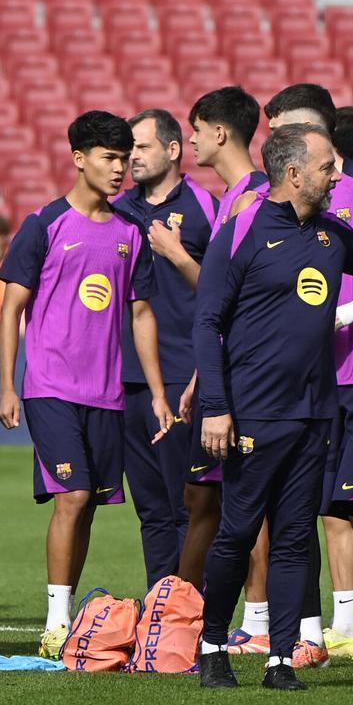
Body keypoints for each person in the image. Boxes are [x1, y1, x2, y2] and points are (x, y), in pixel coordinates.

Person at [193, 124, 353, 691]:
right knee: (238, 532)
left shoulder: (334, 234)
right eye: (328, 166)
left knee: (297, 536)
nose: (337, 176)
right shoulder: (242, 229)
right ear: (295, 173)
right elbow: (207, 323)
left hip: (315, 412)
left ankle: (280, 659)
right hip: (252, 413)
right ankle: (212, 647)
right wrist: (215, 407)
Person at [0, 111, 175, 658]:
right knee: (71, 496)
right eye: (108, 157)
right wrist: (8, 384)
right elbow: (11, 311)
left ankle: (66, 613)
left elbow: (142, 315)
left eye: (125, 158)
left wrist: (160, 392)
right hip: (50, 388)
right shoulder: (43, 224)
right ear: (79, 159)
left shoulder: (129, 233)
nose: (120, 169)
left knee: (90, 504)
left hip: (108, 395)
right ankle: (54, 622)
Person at [257, 84, 353, 668]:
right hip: (317, 376)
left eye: (291, 127)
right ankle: (341, 624)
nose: (281, 139)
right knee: (325, 504)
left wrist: (346, 312)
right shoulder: (274, 200)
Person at [113, 108, 218, 589]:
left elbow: (225, 289)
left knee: (187, 505)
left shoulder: (205, 206)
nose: (131, 157)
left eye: (141, 146)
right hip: (126, 377)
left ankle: (188, 613)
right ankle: (160, 608)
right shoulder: (118, 208)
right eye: (128, 148)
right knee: (151, 508)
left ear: (174, 150)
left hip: (181, 373)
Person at [173, 87, 268, 607]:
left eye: (196, 128)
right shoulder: (233, 197)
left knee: (245, 498)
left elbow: (231, 295)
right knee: (203, 495)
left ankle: (256, 618)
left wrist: (172, 252)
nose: (191, 139)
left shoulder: (252, 197)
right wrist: (199, 377)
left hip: (246, 377)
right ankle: (186, 609)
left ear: (220, 132)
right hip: (219, 370)